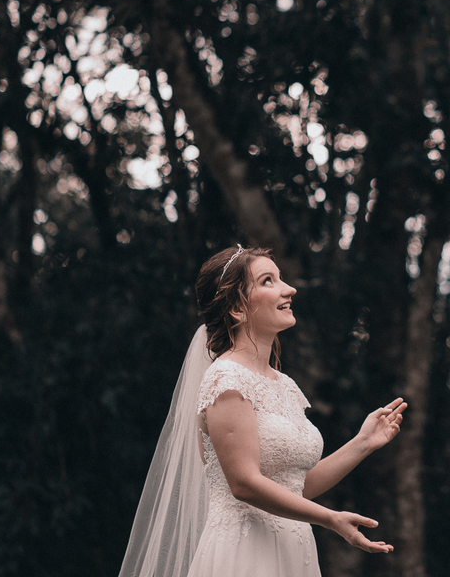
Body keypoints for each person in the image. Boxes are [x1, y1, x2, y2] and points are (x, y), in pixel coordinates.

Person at [118, 244, 406, 577]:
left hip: (294, 551)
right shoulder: (226, 380)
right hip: (243, 554)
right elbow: (244, 483)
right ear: (237, 309)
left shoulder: (283, 384)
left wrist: (363, 442)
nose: (289, 289)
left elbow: (295, 488)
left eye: (280, 278)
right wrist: (330, 518)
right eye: (268, 281)